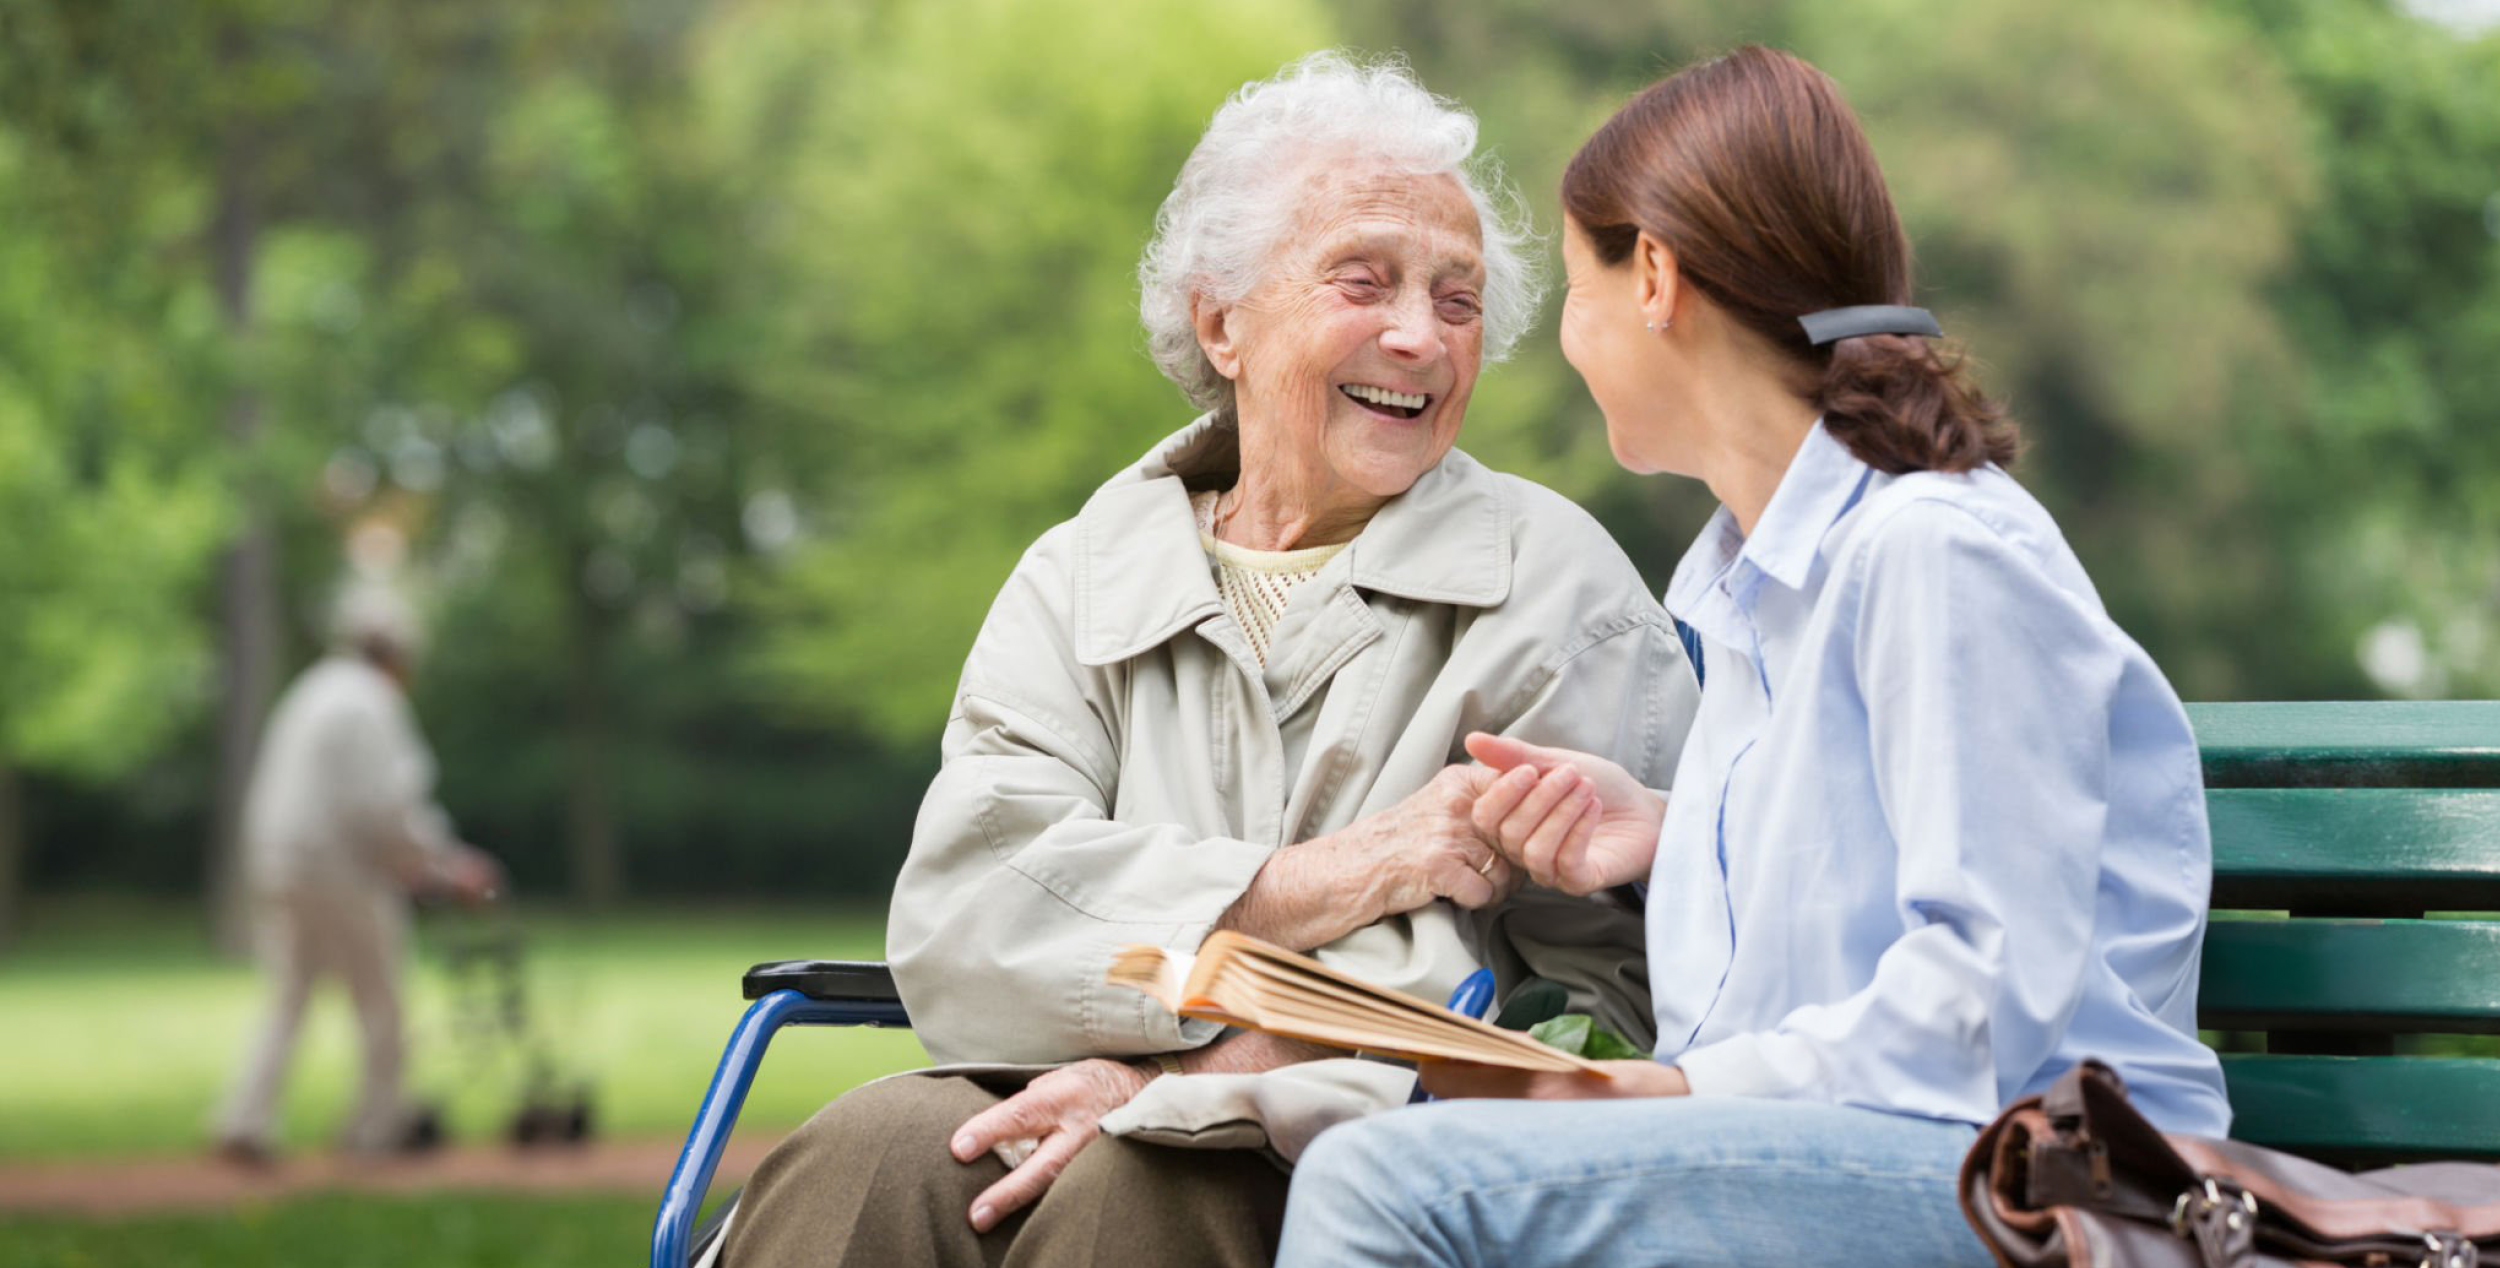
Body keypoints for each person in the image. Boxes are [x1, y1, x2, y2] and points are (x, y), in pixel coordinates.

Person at [720, 52, 1697, 1268]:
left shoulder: (1554, 588)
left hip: (1375, 1149)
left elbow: (1611, 1000)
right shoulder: (1079, 575)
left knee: (1138, 1184)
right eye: (1363, 280)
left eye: (1458, 300)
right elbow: (969, 910)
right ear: (1221, 320)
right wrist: (1335, 877)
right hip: (1044, 1071)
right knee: (860, 1155)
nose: (1420, 336)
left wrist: (1192, 1080)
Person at [1275, 45, 2233, 1268]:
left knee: (1381, 1178)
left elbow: (1983, 1005)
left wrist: (1674, 1091)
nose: (1564, 339)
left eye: (1574, 288)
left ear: (1654, 276)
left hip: (2033, 1189)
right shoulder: (1759, 587)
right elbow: (1885, 875)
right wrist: (1676, 831)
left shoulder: (1936, 551)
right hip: (1872, 1164)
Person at [210, 583, 501, 1166]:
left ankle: (245, 1119)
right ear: (398, 654)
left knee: (289, 995)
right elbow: (387, 807)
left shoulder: (314, 688)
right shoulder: (372, 702)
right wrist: (448, 864)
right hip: (337, 867)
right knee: (382, 997)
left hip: (277, 861)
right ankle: (377, 1127)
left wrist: (419, 863)